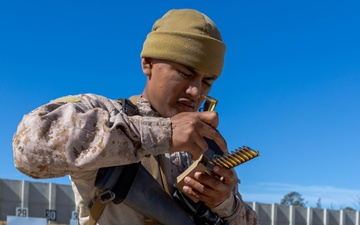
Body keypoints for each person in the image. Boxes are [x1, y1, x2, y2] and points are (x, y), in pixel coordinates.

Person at [12, 8, 258, 225]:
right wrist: (164, 133)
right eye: (184, 73)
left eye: (207, 82)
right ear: (148, 63)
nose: (195, 91)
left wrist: (225, 204)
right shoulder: (105, 114)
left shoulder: (203, 144)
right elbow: (28, 148)